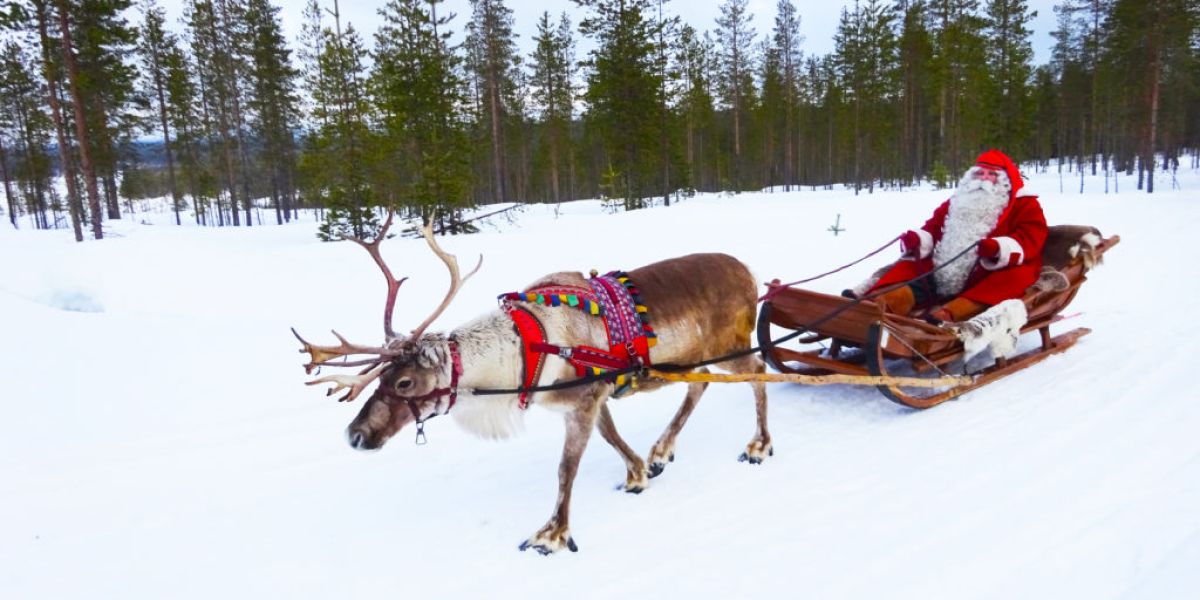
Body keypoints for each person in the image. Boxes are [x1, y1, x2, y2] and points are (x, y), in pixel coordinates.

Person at [862, 149, 1048, 323]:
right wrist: (919, 239)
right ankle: (880, 305)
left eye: (992, 175)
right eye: (980, 174)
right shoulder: (958, 201)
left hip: (989, 272)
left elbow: (1032, 236)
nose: (984, 179)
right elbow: (934, 227)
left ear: (1005, 180)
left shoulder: (1025, 204)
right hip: (946, 268)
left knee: (1012, 279)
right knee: (911, 269)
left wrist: (998, 248)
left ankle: (949, 315)